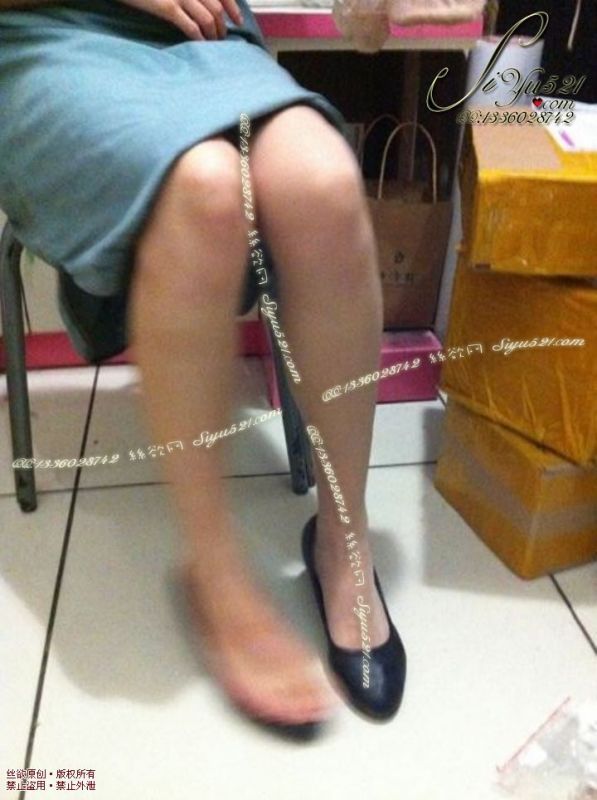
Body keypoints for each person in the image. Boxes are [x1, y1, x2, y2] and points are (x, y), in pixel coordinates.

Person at [0, 0, 406, 732]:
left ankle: (344, 540)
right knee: (206, 191)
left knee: (322, 182)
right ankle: (214, 574)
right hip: (40, 35)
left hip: (197, 32)